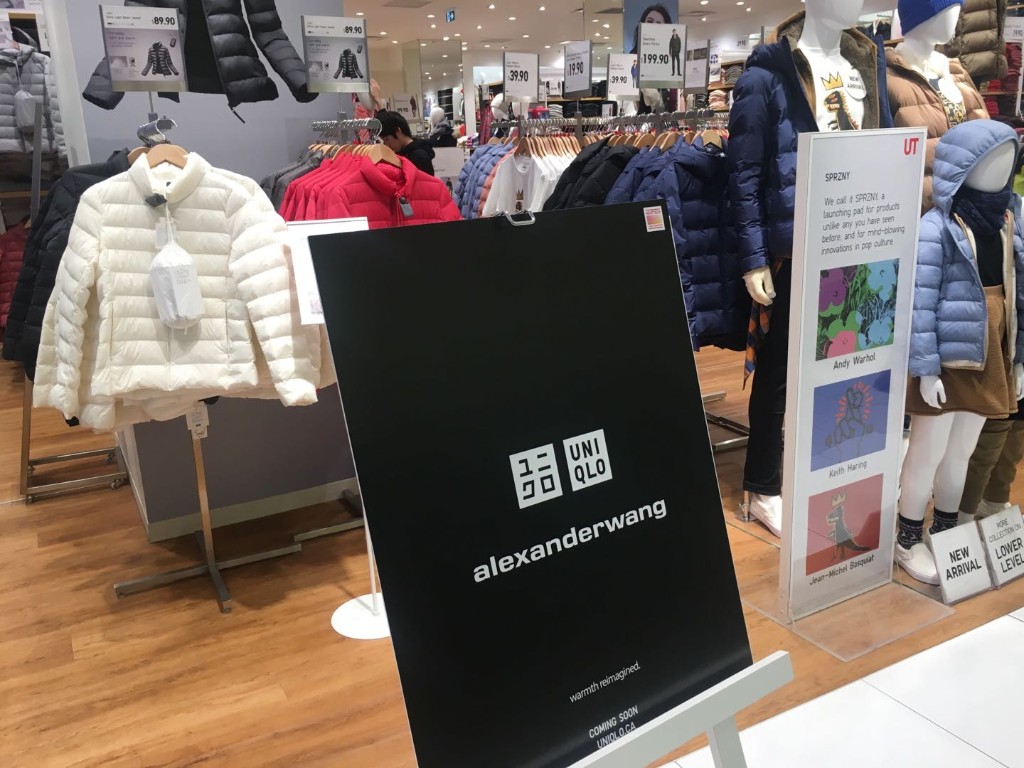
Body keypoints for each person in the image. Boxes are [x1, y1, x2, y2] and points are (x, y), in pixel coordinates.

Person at [377, 110, 436, 176]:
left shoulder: (418, 156)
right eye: (383, 140)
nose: (386, 144)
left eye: (386, 139)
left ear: (398, 131)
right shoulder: (401, 153)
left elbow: (427, 182)